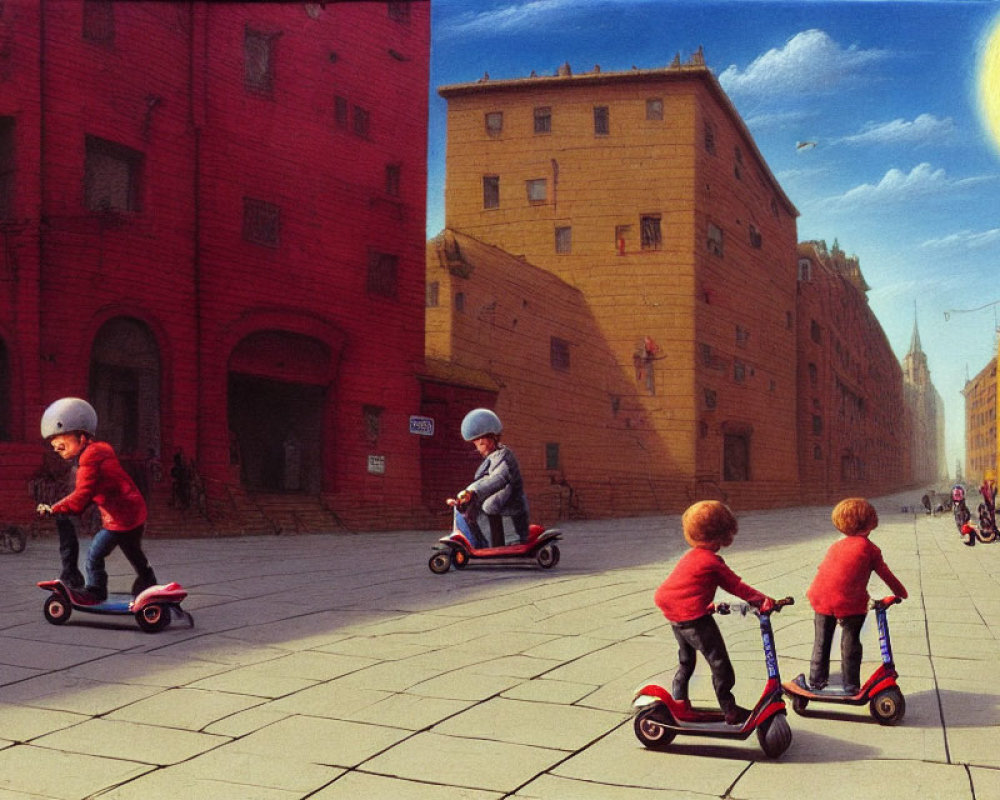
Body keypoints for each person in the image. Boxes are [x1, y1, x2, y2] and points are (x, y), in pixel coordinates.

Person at [654, 500, 775, 725]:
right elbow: (737, 587)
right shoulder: (712, 562)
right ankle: (729, 709)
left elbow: (687, 586)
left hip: (676, 615)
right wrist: (763, 600)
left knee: (686, 661)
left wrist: (704, 604)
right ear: (723, 533)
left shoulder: (691, 556)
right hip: (693, 618)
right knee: (720, 664)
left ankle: (679, 702)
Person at [36, 397, 158, 604]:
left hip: (120, 519)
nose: (56, 447)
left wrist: (54, 509)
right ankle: (148, 581)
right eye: (53, 444)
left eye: (61, 442)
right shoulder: (99, 452)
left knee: (94, 556)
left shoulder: (90, 460)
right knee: (133, 551)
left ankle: (95, 591)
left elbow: (82, 496)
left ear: (82, 438)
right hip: (133, 512)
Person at [806, 497, 907, 694]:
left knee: (821, 641)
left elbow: (824, 569)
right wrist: (900, 594)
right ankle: (851, 685)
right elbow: (886, 574)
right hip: (848, 602)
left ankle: (816, 682)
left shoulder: (835, 546)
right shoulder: (871, 549)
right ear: (870, 523)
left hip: (819, 597)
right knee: (850, 641)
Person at [448, 408, 528, 548]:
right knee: (475, 506)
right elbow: (484, 478)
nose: (478, 445)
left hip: (511, 498)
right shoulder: (493, 457)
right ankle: (484, 542)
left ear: (493, 438)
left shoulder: (505, 456)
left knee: (488, 506)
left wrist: (474, 491)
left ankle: (509, 540)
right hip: (504, 494)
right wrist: (469, 490)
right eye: (476, 442)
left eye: (481, 441)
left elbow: (498, 478)